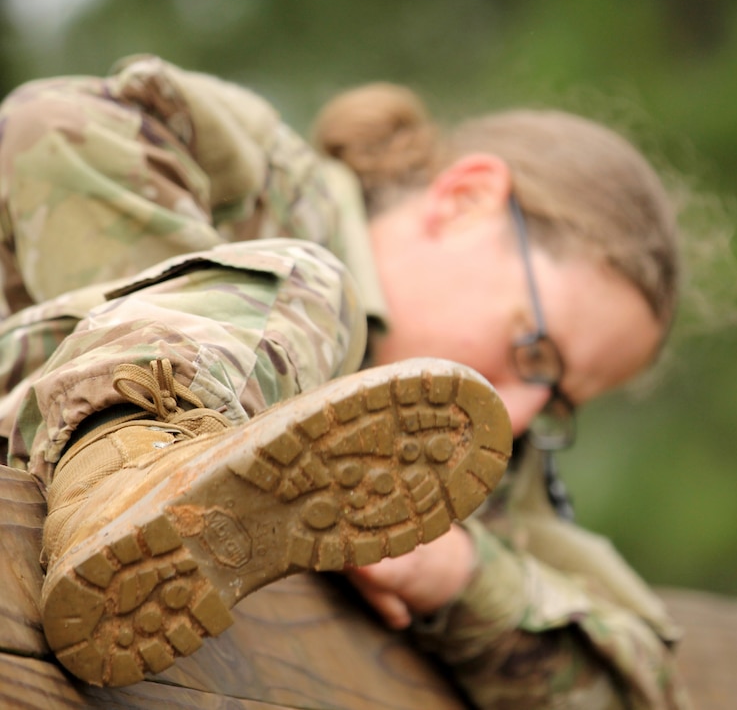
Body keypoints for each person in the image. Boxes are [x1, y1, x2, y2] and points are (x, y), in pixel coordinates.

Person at [0, 54, 690, 708]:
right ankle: (138, 456)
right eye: (534, 351)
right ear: (466, 200)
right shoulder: (254, 177)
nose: (518, 413)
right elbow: (47, 125)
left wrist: (462, 578)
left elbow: (642, 690)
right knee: (318, 291)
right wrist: (219, 403)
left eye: (557, 404)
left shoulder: (463, 457)